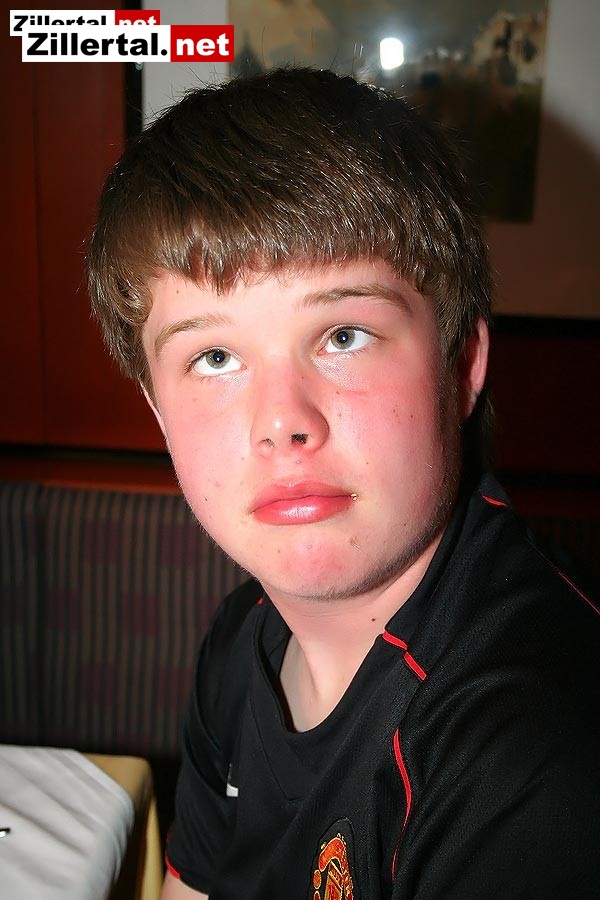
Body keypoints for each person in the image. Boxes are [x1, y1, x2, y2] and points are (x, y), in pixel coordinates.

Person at [88, 68, 600, 900]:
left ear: (462, 366)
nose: (282, 421)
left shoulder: (536, 762)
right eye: (213, 357)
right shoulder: (245, 637)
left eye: (344, 335)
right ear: (157, 412)